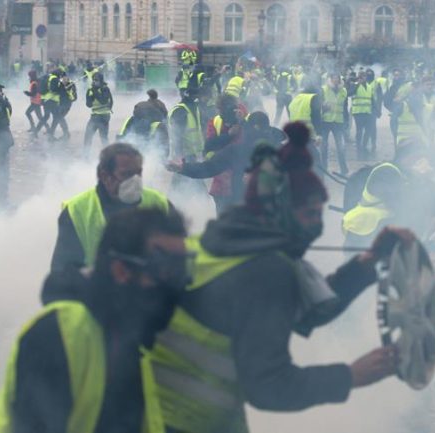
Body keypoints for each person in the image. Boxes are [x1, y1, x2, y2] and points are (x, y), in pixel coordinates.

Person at [145, 122, 407, 433]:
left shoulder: (225, 240)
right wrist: (351, 375)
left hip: (179, 412)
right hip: (185, 420)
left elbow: (303, 308)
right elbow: (268, 387)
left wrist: (365, 265)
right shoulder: (266, 267)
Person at [0, 208, 190, 433]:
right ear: (121, 271)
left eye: (179, 270)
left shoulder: (136, 335)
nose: (173, 284)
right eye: (164, 270)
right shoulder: (58, 333)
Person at [51, 143, 171, 271]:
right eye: (126, 174)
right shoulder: (77, 211)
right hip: (99, 288)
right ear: (105, 176)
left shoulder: (160, 203)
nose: (135, 180)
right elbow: (62, 272)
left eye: (139, 173)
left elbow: (180, 256)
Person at [321, 72, 349, 175]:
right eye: (334, 78)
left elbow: (345, 108)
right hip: (325, 121)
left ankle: (344, 169)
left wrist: (346, 122)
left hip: (338, 122)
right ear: (330, 79)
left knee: (340, 146)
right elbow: (319, 105)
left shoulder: (344, 91)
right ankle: (324, 168)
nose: (336, 80)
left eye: (337, 78)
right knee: (323, 146)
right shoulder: (324, 89)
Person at [83, 72, 113, 157]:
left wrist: (95, 91)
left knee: (103, 137)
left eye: (97, 80)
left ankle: (108, 156)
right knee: (88, 136)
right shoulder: (91, 90)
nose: (95, 82)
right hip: (95, 115)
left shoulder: (105, 89)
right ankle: (86, 156)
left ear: (101, 80)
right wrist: (90, 95)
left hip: (104, 116)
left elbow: (104, 100)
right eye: (94, 80)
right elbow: (88, 105)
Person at [349, 71, 376, 161]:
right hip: (358, 112)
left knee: (368, 130)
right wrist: (357, 84)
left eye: (364, 76)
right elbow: (350, 93)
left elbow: (372, 99)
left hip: (367, 112)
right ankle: (359, 147)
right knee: (359, 130)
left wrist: (376, 110)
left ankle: (364, 145)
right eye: (361, 77)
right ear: (358, 78)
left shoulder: (369, 86)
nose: (363, 78)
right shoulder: (355, 85)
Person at [50, 74, 76, 142]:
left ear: (68, 78)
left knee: (59, 117)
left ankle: (64, 133)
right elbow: (56, 91)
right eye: (63, 79)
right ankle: (63, 133)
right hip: (60, 104)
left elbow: (75, 97)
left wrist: (68, 91)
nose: (64, 80)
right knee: (58, 118)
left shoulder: (72, 85)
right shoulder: (60, 84)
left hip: (67, 104)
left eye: (65, 79)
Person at [24, 71, 44, 136]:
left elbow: (34, 94)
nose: (28, 77)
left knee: (28, 113)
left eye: (29, 76)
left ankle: (33, 127)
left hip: (36, 102)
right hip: (36, 102)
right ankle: (48, 128)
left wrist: (26, 93)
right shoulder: (36, 82)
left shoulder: (34, 83)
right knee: (40, 117)